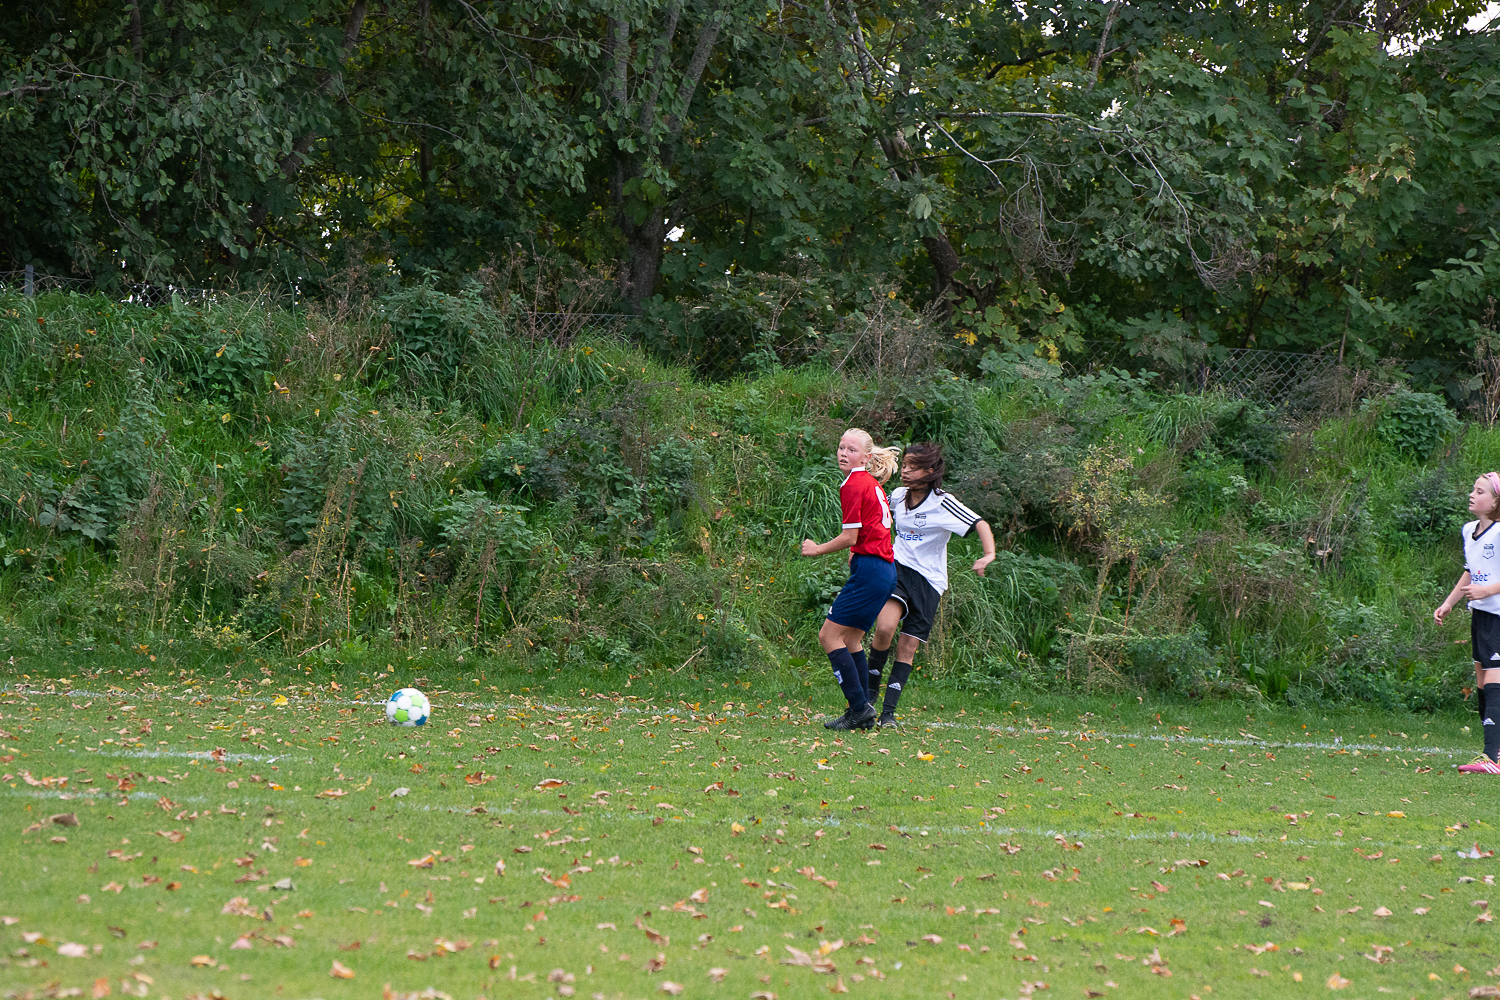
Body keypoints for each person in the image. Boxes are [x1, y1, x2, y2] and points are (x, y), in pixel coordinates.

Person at [867, 442, 995, 728]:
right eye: (905, 466)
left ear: (930, 471)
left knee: (908, 647)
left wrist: (988, 555)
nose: (906, 472)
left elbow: (980, 524)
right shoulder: (897, 496)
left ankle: (888, 714)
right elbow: (876, 520)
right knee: (885, 628)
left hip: (929, 581)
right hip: (897, 569)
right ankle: (868, 699)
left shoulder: (943, 503)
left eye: (913, 468)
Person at [801, 428, 900, 731]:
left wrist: (817, 549)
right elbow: (873, 529)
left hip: (872, 571)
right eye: (841, 447)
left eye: (852, 450)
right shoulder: (868, 482)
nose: (844, 453)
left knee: (828, 637)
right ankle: (861, 708)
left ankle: (859, 709)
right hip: (881, 570)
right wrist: (857, 553)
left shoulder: (854, 484)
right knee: (852, 639)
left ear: (866, 458)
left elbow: (850, 536)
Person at [1435, 472, 1500, 773]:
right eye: (1473, 489)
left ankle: (1491, 758)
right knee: (1482, 681)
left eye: (1480, 491)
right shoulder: (1468, 530)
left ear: (1496, 502)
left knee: (1494, 679)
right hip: (1480, 615)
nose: (1472, 495)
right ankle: (1495, 750)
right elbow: (1470, 571)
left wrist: (1487, 591)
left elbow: (1486, 582)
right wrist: (1449, 603)